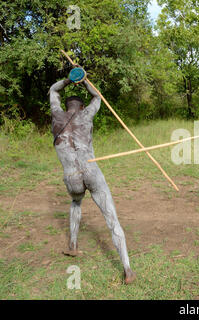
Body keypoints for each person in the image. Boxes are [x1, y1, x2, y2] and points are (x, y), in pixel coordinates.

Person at [49, 75, 136, 284]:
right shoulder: (86, 115)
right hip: (91, 171)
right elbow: (97, 97)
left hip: (71, 177)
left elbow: (53, 90)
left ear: (67, 105)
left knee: (76, 201)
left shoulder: (57, 115)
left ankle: (73, 245)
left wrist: (69, 80)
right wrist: (84, 80)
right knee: (111, 218)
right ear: (80, 107)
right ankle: (128, 269)